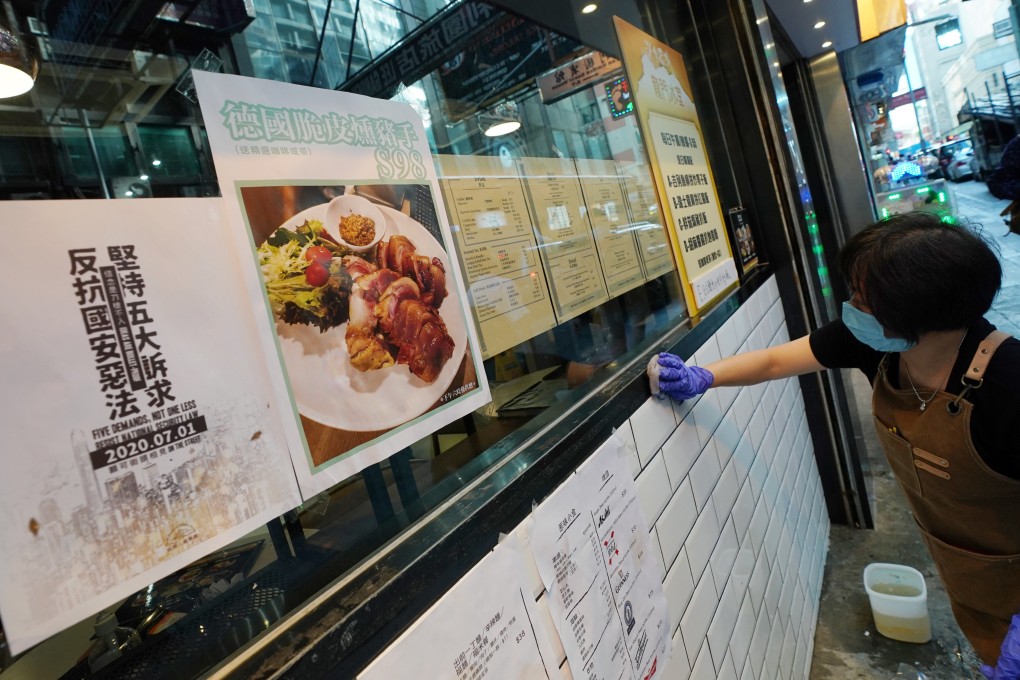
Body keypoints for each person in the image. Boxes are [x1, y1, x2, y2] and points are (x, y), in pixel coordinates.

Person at [649, 211, 1020, 666]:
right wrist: (702, 376)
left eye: (863, 299)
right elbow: (773, 362)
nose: (851, 307)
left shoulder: (1009, 385)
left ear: (912, 312)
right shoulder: (878, 344)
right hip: (968, 573)